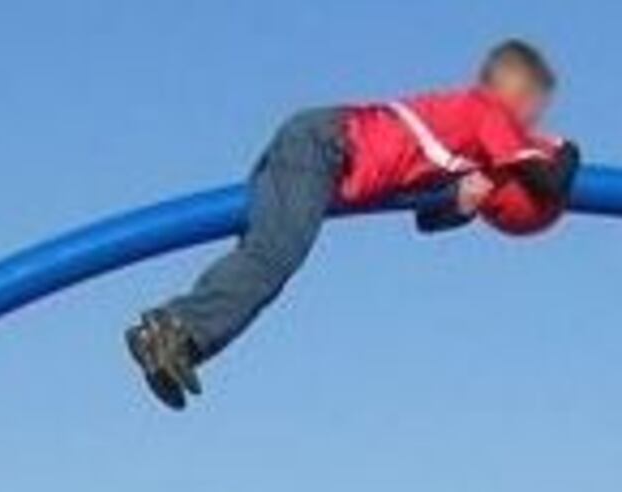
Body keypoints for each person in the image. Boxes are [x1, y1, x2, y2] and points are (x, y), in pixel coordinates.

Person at [125, 39, 580, 409]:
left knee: (268, 263)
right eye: (535, 110)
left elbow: (426, 219)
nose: (534, 123)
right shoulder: (488, 112)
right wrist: (566, 149)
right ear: (515, 93)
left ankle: (181, 346)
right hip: (326, 147)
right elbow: (547, 179)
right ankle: (171, 326)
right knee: (275, 255)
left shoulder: (459, 136)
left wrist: (462, 203)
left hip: (323, 148)